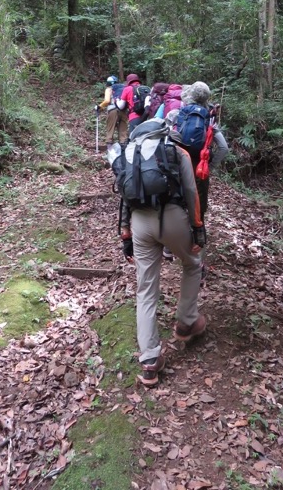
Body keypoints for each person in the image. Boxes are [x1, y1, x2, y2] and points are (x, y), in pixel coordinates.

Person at [112, 119, 207, 387]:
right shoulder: (175, 151)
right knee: (191, 264)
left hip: (140, 223)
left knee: (145, 289)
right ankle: (187, 322)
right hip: (173, 218)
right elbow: (191, 192)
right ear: (164, 132)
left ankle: (150, 360)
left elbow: (124, 197)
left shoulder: (132, 153)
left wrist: (125, 233)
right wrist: (198, 228)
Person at [180, 82, 229, 221]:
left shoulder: (178, 113)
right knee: (199, 200)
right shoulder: (209, 120)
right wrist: (211, 166)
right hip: (201, 165)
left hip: (180, 162)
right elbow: (223, 148)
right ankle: (199, 231)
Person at [96, 75, 128, 146]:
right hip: (124, 111)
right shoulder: (123, 88)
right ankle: (123, 147)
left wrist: (99, 106)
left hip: (113, 110)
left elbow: (107, 101)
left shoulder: (109, 89)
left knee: (110, 129)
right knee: (123, 131)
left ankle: (109, 147)